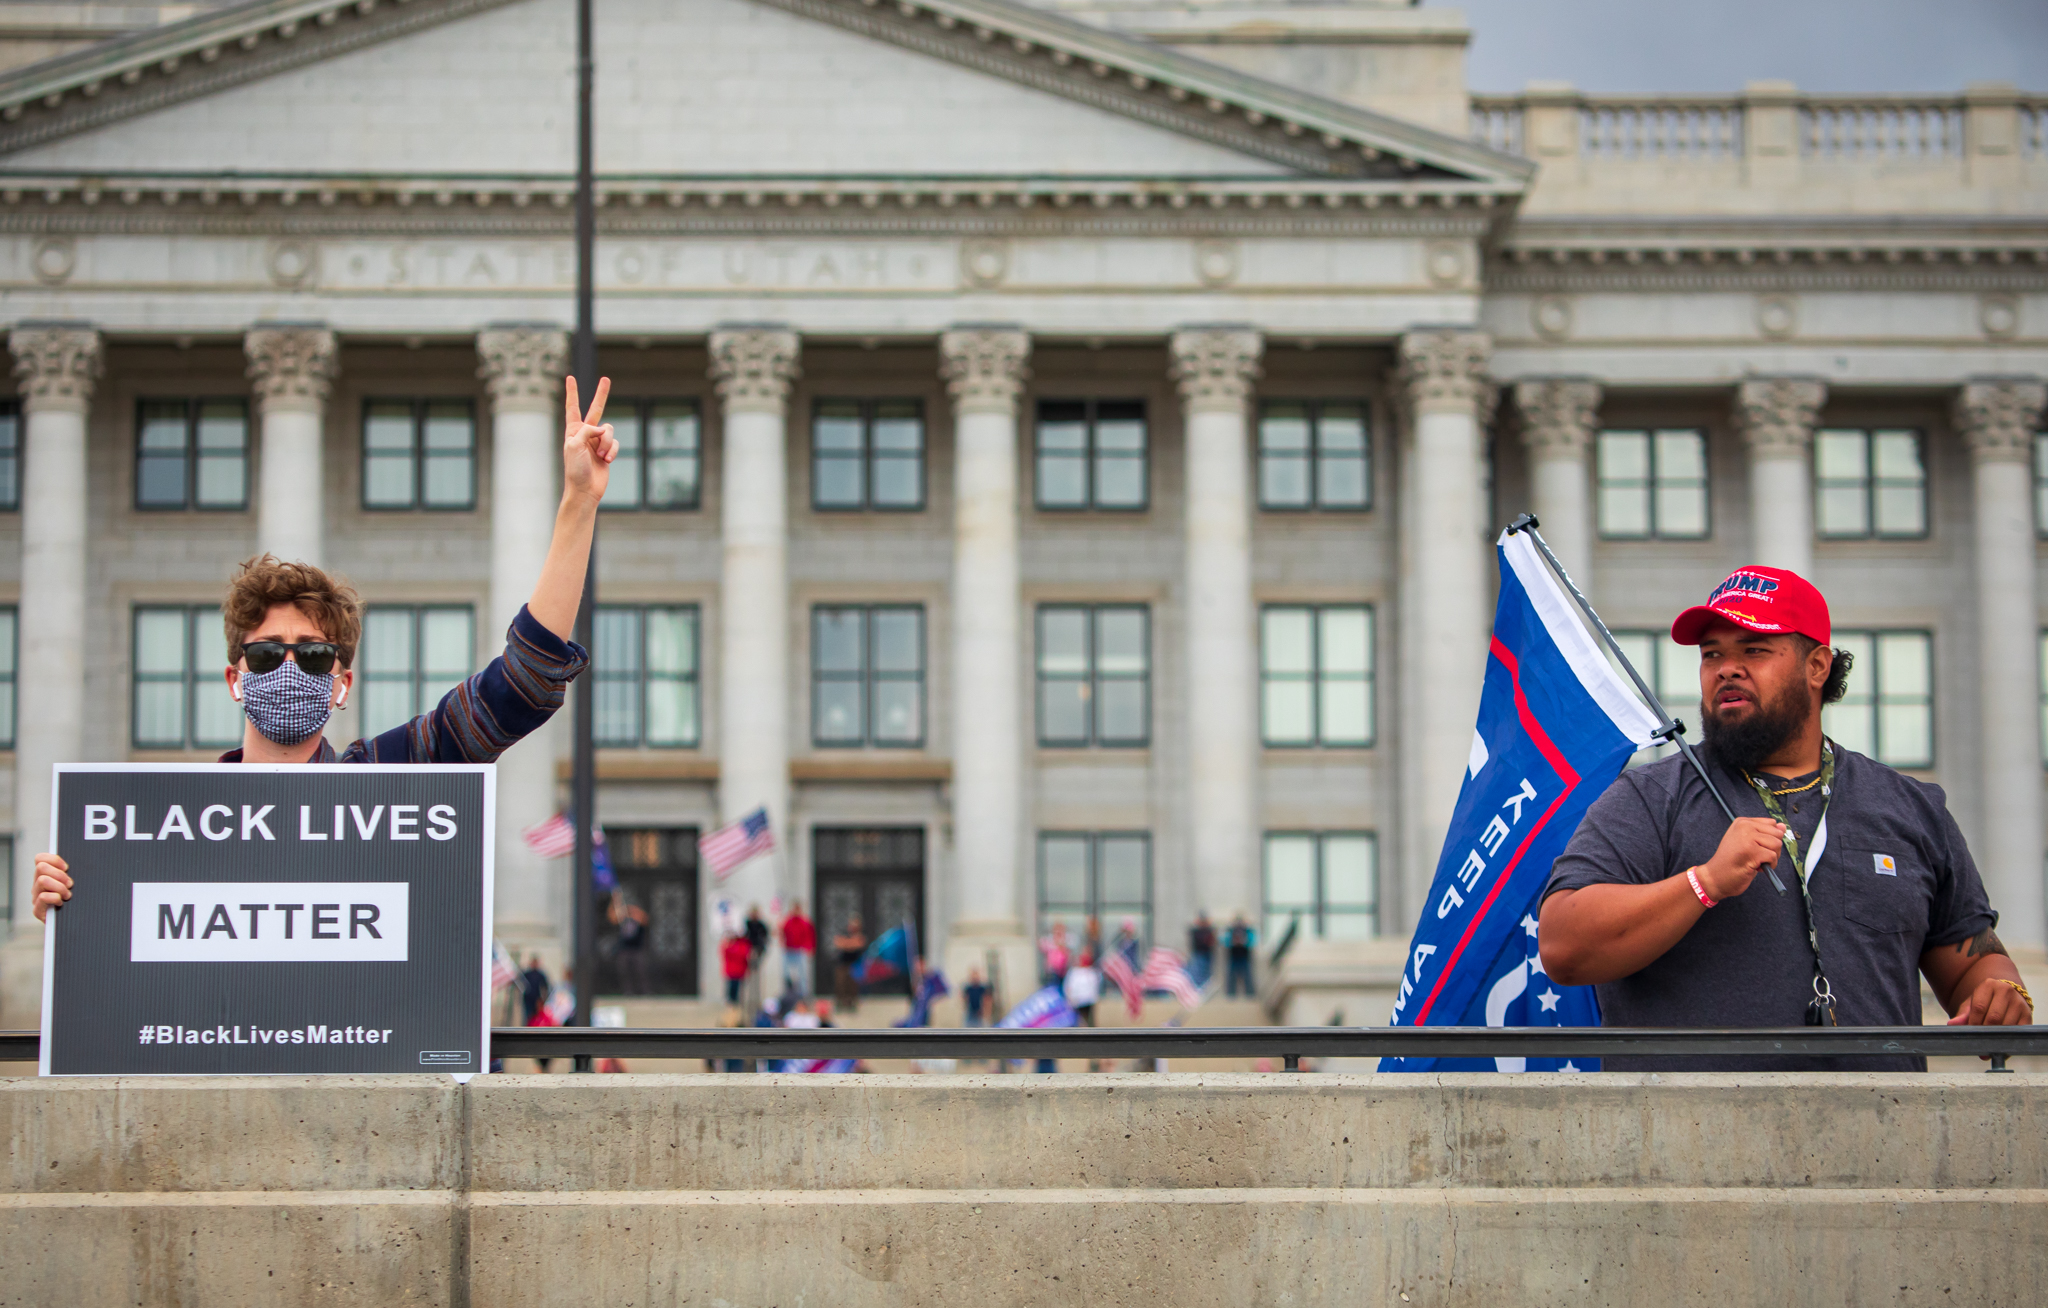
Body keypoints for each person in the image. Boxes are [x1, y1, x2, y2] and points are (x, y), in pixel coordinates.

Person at [30, 377, 621, 922]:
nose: (288, 668)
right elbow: (119, 964)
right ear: (236, 680)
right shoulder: (165, 824)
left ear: (342, 682)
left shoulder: (386, 785)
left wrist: (578, 503)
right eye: (266, 655)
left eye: (313, 655)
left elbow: (523, 681)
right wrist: (68, 906)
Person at [1540, 566, 2033, 1072]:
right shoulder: (1649, 798)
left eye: (1753, 649)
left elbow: (1972, 963)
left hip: (1882, 1137)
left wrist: (2001, 993)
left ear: (1817, 666)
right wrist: (1703, 883)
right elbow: (1563, 946)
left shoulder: (1911, 806)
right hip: (1689, 1139)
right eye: (1712, 654)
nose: (1726, 669)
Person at [608, 891, 651, 995]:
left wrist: (633, 911)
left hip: (637, 948)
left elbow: (645, 920)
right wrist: (615, 901)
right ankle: (628, 991)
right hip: (624, 949)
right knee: (624, 971)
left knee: (641, 971)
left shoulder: (638, 915)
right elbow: (612, 917)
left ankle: (645, 992)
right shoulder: (623, 917)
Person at [780, 900, 816, 998]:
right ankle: (788, 994)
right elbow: (782, 933)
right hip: (789, 951)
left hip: (800, 951)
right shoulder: (788, 921)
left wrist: (810, 949)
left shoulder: (805, 922)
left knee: (802, 976)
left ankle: (803, 996)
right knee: (786, 974)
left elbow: (810, 936)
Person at [833, 915, 866, 1015]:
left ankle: (851, 1003)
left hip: (854, 964)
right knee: (841, 983)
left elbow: (858, 943)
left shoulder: (861, 935)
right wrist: (850, 944)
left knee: (853, 985)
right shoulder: (843, 932)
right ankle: (840, 1003)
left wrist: (847, 944)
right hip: (842, 964)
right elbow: (839, 943)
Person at [1224, 914, 1256, 997]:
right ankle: (1231, 994)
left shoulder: (1248, 931)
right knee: (1231, 977)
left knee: (1247, 977)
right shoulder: (1230, 931)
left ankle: (1250, 994)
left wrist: (1244, 943)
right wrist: (1232, 943)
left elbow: (1252, 941)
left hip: (1244, 957)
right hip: (1233, 957)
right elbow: (1225, 941)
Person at [720, 931, 751, 1007]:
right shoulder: (729, 944)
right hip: (731, 972)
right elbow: (724, 952)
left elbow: (743, 955)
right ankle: (731, 1007)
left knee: (737, 992)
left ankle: (735, 1008)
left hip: (739, 972)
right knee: (731, 992)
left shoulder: (742, 945)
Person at [1188, 912, 1217, 990]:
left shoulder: (1209, 930)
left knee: (1207, 971)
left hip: (1207, 953)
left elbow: (1212, 941)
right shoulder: (1196, 930)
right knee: (1198, 971)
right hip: (1199, 953)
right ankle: (1199, 987)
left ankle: (1206, 988)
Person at [1038, 922, 1071, 986]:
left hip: (1063, 970)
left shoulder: (1067, 939)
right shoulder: (1049, 940)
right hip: (1052, 970)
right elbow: (1042, 946)